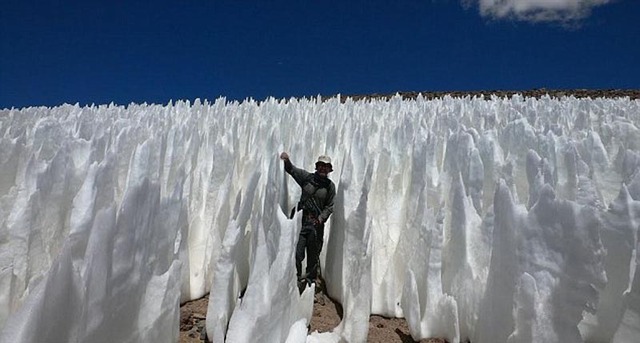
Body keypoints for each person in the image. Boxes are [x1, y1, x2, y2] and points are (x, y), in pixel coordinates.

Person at [280, 152, 336, 291]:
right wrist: (286, 160)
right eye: (321, 165)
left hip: (316, 226)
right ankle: (296, 280)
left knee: (313, 255)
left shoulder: (330, 187)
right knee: (298, 253)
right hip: (302, 222)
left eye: (326, 166)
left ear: (329, 170)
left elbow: (330, 206)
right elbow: (291, 170)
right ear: (317, 167)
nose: (323, 168)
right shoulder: (307, 178)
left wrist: (321, 218)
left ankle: (311, 284)